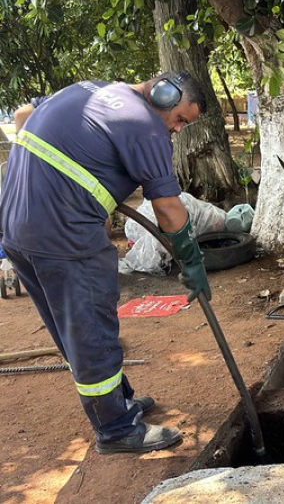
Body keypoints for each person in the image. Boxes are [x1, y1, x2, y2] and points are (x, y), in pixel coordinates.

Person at [0, 71, 212, 454]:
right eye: (181, 119)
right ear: (164, 95)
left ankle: (118, 401)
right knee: (91, 330)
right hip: (66, 236)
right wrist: (191, 261)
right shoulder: (146, 125)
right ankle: (116, 428)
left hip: (17, 229)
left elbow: (22, 116)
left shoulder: (89, 89)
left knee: (73, 330)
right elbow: (167, 207)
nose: (178, 130)